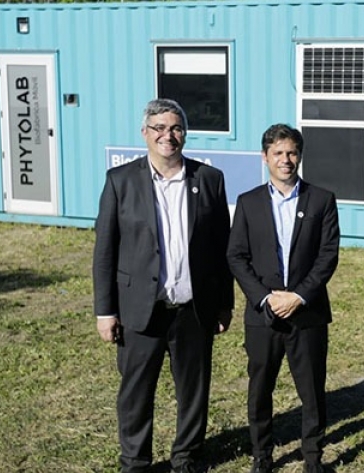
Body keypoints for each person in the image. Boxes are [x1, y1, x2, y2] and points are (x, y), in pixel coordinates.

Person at [92, 98, 234, 473]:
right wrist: (105, 311)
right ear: (145, 134)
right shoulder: (120, 182)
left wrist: (224, 303)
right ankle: (136, 462)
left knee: (194, 391)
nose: (167, 136)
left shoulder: (208, 179)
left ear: (184, 134)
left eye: (174, 128)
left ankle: (187, 457)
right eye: (159, 128)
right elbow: (105, 250)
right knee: (136, 393)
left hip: (193, 308)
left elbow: (223, 248)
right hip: (140, 309)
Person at [226, 124, 340, 473]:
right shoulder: (248, 202)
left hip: (307, 314)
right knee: (261, 389)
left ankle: (313, 457)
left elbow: (328, 255)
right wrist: (264, 298)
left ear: (299, 155)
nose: (285, 160)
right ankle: (262, 455)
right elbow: (236, 256)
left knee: (311, 390)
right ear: (265, 158)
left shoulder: (321, 200)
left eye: (291, 152)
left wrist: (300, 296)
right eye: (278, 153)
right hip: (264, 316)